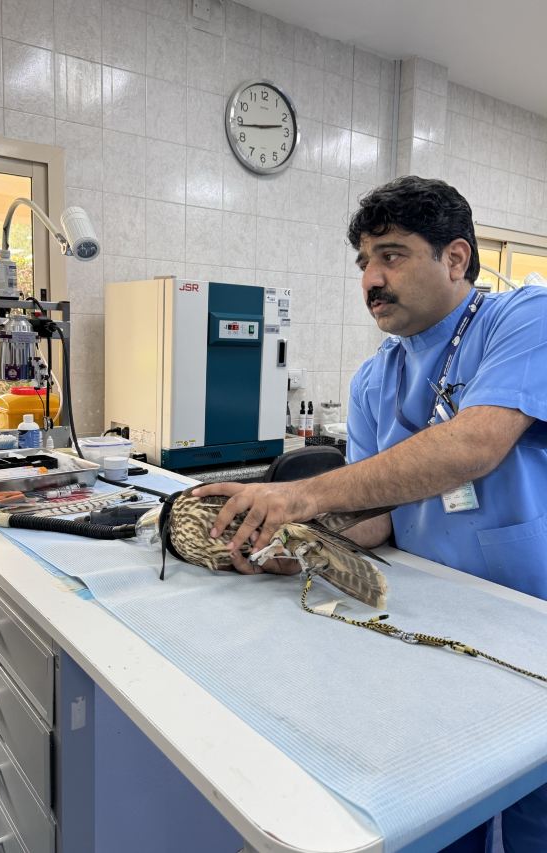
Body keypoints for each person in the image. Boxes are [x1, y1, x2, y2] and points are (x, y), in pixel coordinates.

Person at [193, 175, 547, 853]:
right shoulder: (373, 378)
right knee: (445, 801)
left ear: (455, 258)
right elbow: (379, 514)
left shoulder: (524, 319)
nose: (371, 279)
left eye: (391, 255)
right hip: (436, 622)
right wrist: (300, 543)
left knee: (534, 802)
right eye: (363, 262)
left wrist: (303, 497)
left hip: (532, 617)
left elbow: (474, 443)